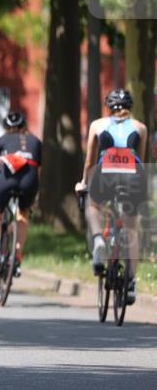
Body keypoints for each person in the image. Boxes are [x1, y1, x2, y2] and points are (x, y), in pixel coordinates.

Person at [75, 88, 149, 305]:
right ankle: (131, 283)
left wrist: (84, 183)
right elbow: (141, 160)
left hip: (105, 172)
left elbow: (89, 161)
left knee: (93, 206)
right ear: (130, 107)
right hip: (133, 176)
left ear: (109, 106)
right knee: (131, 230)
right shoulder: (141, 128)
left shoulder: (97, 125)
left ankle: (99, 240)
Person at [0, 111, 42, 278]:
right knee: (23, 214)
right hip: (30, 181)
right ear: (25, 126)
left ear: (6, 127)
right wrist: (35, 194)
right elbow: (38, 171)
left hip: (8, 181)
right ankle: (17, 256)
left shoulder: (1, 141)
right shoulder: (36, 141)